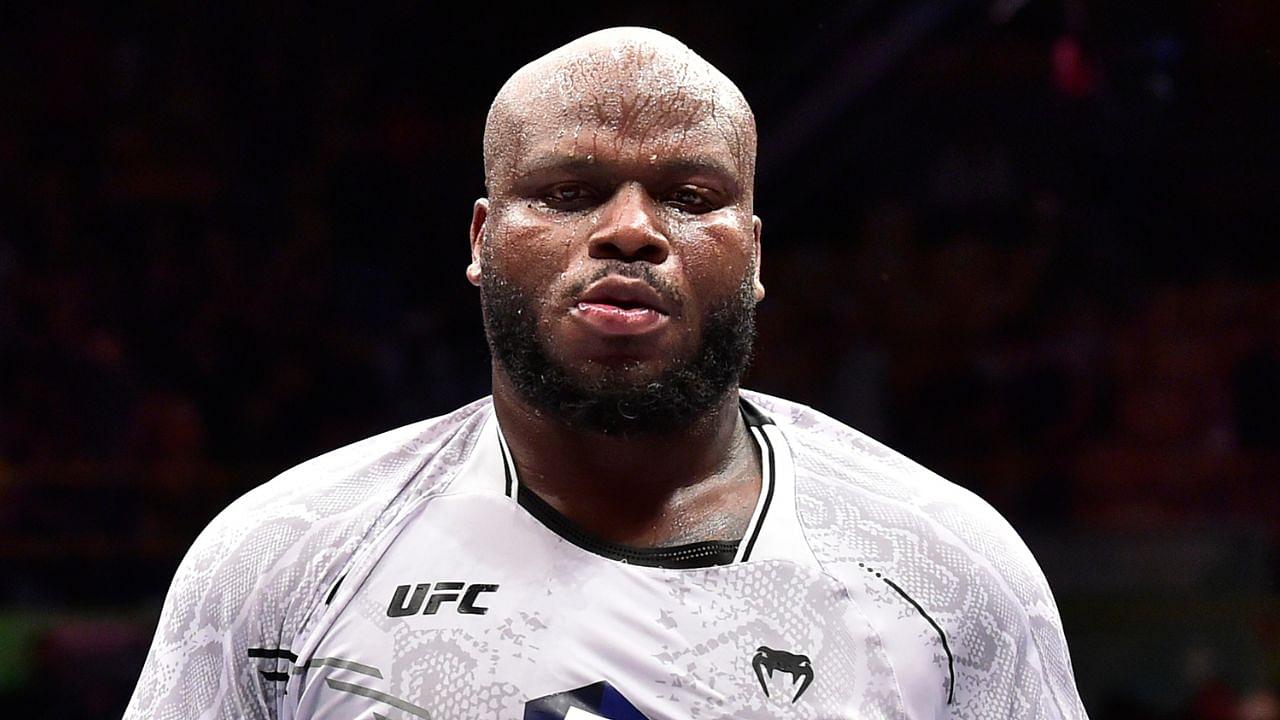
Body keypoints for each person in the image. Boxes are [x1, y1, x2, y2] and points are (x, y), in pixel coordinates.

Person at [125, 27, 1088, 720]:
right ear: (483, 237)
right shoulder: (284, 559)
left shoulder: (944, 568)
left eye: (690, 195)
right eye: (570, 192)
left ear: (753, 255)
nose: (631, 229)